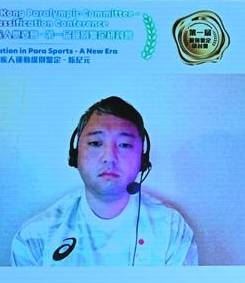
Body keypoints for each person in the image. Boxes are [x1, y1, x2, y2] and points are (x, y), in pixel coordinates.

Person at [11, 96, 198, 266]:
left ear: (142, 158)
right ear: (75, 154)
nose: (109, 157)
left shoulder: (171, 230)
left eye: (124, 145)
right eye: (95, 143)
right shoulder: (36, 236)